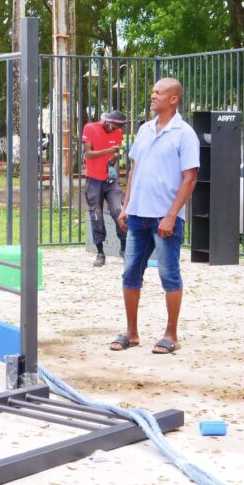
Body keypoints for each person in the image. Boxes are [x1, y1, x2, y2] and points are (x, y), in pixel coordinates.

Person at [110, 78, 199, 354]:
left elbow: (190, 178)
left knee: (168, 274)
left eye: (159, 93)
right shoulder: (144, 130)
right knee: (129, 273)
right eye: (153, 92)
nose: (153, 96)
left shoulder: (185, 134)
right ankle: (132, 332)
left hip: (164, 218)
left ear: (174, 99)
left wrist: (172, 215)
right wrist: (126, 205)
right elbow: (135, 169)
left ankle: (171, 334)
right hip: (138, 215)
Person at [82, 110, 128, 266]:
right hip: (93, 179)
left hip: (110, 179)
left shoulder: (118, 132)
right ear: (108, 121)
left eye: (118, 128)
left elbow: (114, 156)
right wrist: (107, 152)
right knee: (96, 214)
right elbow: (88, 154)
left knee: (119, 211)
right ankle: (100, 252)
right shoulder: (90, 128)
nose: (116, 130)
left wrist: (114, 157)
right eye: (114, 126)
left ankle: (124, 249)